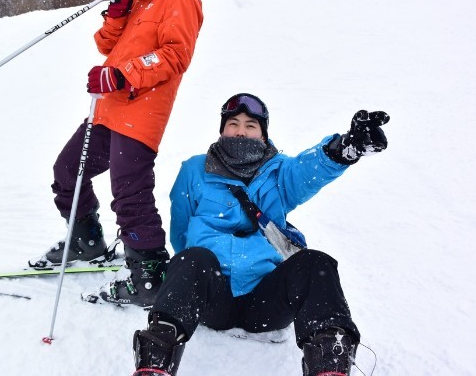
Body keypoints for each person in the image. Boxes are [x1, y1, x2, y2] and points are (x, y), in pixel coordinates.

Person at [132, 93, 390, 376]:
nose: (241, 130)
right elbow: (180, 233)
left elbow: (308, 169)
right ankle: (154, 366)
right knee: (191, 258)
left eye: (251, 125)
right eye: (233, 123)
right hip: (213, 300)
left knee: (316, 263)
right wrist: (198, 273)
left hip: (266, 300)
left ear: (263, 135)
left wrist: (343, 148)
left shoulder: (278, 172)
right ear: (222, 129)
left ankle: (330, 366)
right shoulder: (194, 170)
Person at [29, 0, 203, 308]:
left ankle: (149, 275)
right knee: (68, 171)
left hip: (142, 108)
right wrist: (119, 9)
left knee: (129, 192)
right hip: (108, 108)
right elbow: (106, 45)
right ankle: (86, 242)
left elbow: (175, 56)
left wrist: (122, 77)